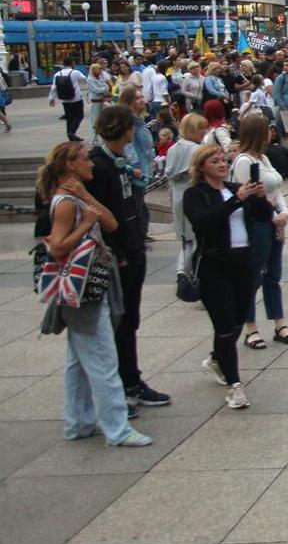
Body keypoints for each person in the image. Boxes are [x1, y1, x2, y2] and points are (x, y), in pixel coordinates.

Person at [38, 141, 148, 447]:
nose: (92, 164)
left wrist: (87, 198)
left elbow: (111, 223)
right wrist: (85, 222)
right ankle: (117, 428)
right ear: (71, 165)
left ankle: (79, 422)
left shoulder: (76, 197)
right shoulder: (66, 204)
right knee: (102, 357)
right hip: (82, 288)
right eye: (86, 159)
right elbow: (57, 247)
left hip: (88, 286)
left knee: (78, 358)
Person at [86, 105, 169, 410]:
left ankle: (131, 380)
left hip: (132, 249)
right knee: (117, 323)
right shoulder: (98, 166)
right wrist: (117, 252)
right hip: (118, 255)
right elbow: (99, 216)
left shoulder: (118, 162)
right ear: (125, 129)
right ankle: (120, 387)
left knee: (129, 321)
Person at [186, 143, 272, 409]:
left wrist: (259, 198)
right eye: (215, 161)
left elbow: (264, 217)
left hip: (243, 262)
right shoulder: (195, 194)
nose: (222, 165)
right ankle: (235, 385)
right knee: (224, 326)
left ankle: (217, 358)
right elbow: (203, 223)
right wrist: (238, 200)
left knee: (236, 321)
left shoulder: (236, 190)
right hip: (214, 264)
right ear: (202, 168)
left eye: (224, 160)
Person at [231, 112, 288, 350]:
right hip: (257, 224)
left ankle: (279, 323)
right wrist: (274, 217)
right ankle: (251, 327)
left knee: (273, 275)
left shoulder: (263, 159)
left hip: (272, 221)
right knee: (254, 275)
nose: (271, 133)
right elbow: (253, 197)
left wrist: (284, 213)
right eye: (267, 130)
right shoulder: (243, 162)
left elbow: (275, 189)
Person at [167, 113, 208, 280]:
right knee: (195, 237)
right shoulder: (197, 150)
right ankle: (186, 271)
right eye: (201, 129)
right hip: (194, 197)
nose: (205, 132)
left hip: (177, 196)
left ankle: (182, 270)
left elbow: (169, 174)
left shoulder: (172, 149)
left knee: (186, 239)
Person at [48, 61, 90, 141]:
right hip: (76, 98)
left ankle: (70, 133)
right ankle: (72, 132)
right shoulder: (75, 72)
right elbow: (85, 80)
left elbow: (54, 87)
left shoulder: (57, 74)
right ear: (72, 64)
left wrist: (51, 99)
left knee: (69, 117)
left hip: (64, 99)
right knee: (79, 116)